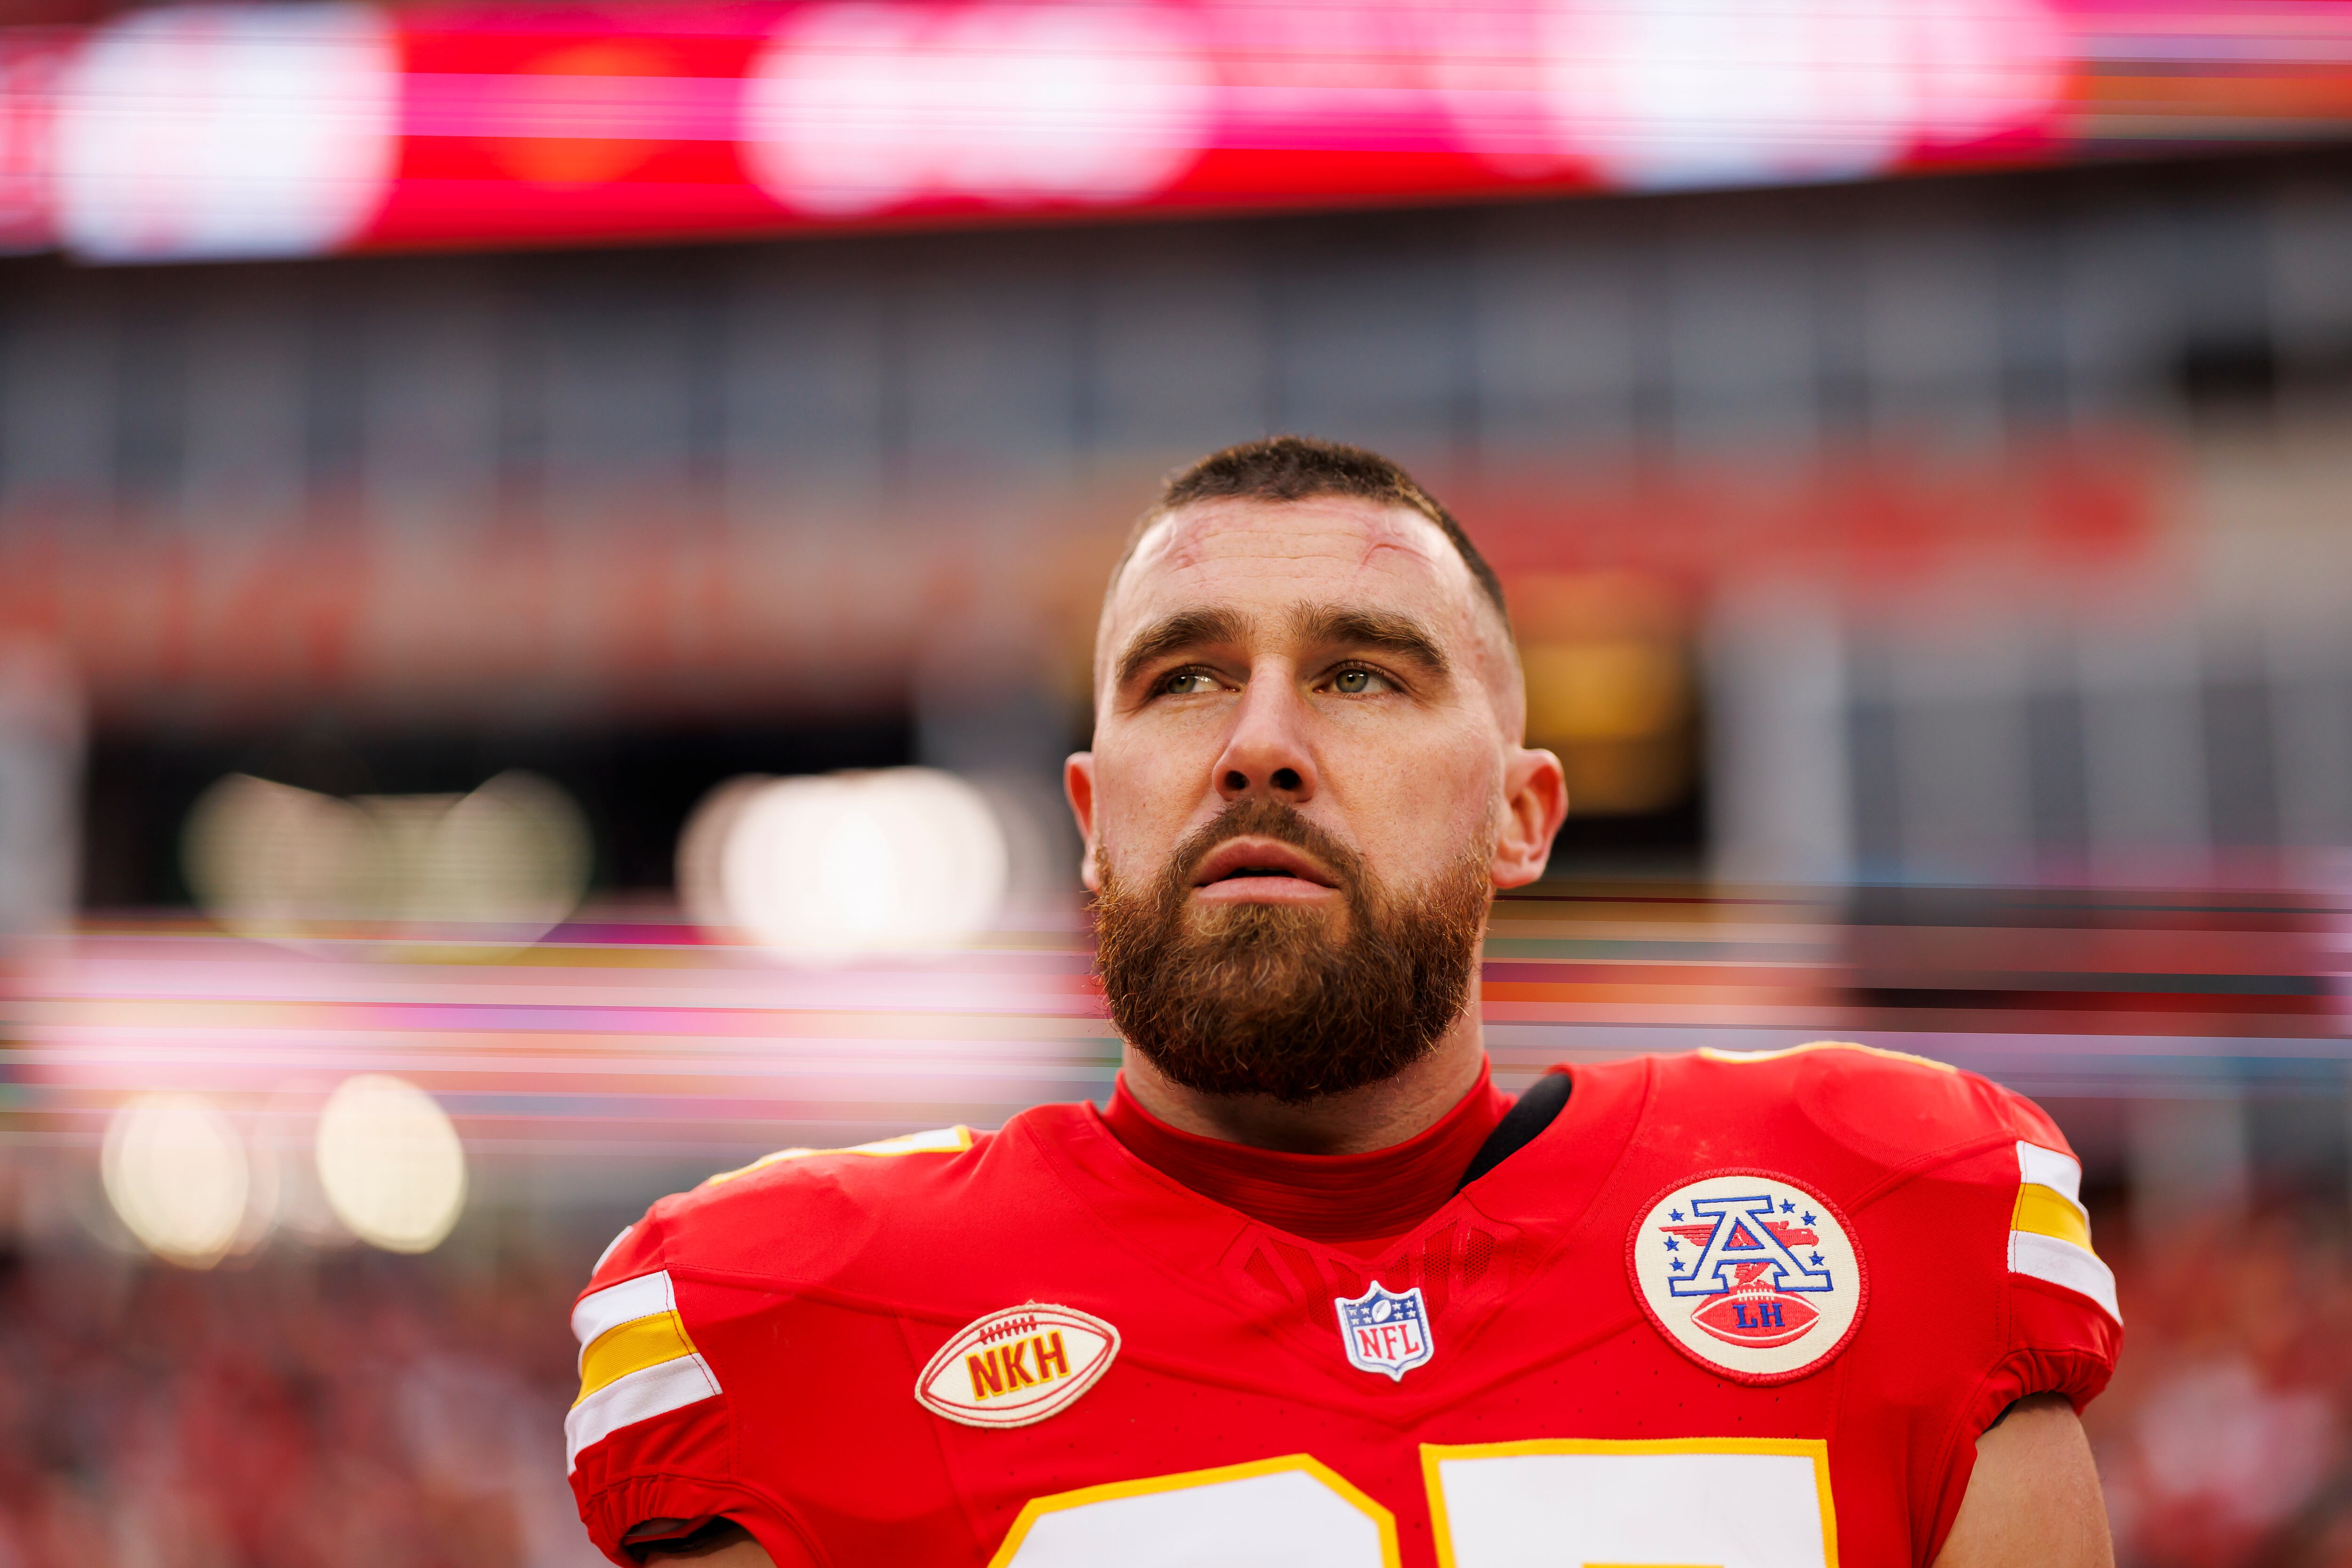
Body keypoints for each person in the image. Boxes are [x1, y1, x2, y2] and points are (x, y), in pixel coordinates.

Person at [565, 436, 2119, 1568]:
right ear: (1094, 821)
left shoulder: (1898, 1211)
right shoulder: (792, 1322)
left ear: (1524, 814)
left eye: (1363, 674)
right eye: (1182, 677)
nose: (1258, 743)